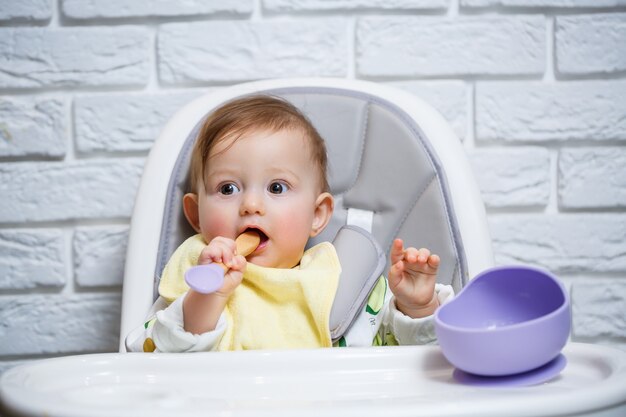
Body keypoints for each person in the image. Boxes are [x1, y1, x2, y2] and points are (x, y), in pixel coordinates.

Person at [125, 95, 453, 353]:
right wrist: (206, 299)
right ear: (195, 215)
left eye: (276, 188)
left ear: (318, 215)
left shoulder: (340, 285)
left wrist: (417, 306)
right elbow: (150, 359)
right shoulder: (194, 277)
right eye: (228, 188)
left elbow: (413, 360)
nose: (251, 205)